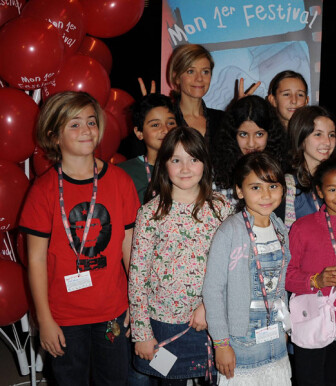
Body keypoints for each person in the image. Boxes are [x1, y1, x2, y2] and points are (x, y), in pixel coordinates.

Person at [20, 91, 140, 385]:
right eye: (74, 124)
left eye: (91, 121)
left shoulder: (120, 181)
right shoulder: (43, 190)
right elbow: (35, 259)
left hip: (113, 310)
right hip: (64, 316)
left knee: (114, 379)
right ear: (54, 135)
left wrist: (138, 304)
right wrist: (44, 319)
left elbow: (131, 247)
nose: (86, 130)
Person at [129, 126, 230, 385]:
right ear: (164, 165)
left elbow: (233, 267)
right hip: (164, 325)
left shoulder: (221, 208)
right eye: (176, 160)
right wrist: (142, 333)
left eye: (193, 159)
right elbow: (138, 277)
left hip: (212, 321)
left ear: (205, 164)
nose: (185, 168)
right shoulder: (150, 213)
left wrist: (210, 307)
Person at [203, 152, 292, 385]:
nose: (266, 195)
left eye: (273, 186)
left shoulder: (280, 228)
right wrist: (221, 343)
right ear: (240, 191)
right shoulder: (230, 231)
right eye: (255, 187)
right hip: (241, 340)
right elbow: (213, 291)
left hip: (275, 336)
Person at [285, 157, 336, 385]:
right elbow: (287, 275)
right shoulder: (302, 228)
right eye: (332, 189)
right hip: (310, 321)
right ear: (320, 191)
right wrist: (315, 280)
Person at [211, 95, 288, 203]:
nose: (251, 144)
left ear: (270, 135)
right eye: (243, 134)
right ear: (232, 135)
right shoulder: (217, 173)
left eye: (259, 134)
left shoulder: (283, 169)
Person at [275, 105, 336, 228]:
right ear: (301, 137)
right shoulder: (287, 185)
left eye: (331, 135)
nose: (327, 142)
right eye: (318, 134)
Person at [119, 93, 178, 204]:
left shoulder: (190, 168)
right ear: (139, 133)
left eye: (171, 123)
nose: (165, 129)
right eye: (155, 125)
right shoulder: (124, 172)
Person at [166, 44, 225, 142]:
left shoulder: (222, 119)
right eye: (191, 71)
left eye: (205, 72)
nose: (199, 78)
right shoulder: (165, 120)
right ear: (176, 77)